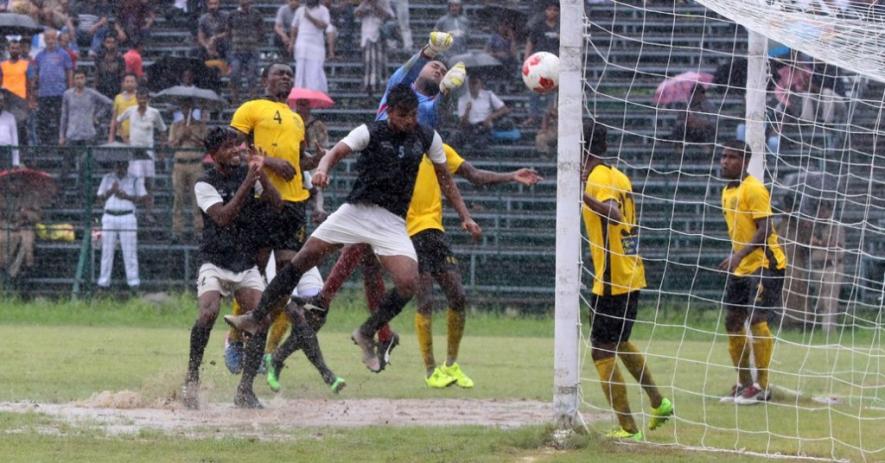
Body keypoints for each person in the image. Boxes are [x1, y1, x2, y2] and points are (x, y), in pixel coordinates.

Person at [224, 84, 481, 385]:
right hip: (355, 212)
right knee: (301, 261)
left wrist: (465, 216)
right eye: (402, 115)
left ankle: (367, 331)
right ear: (389, 112)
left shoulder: (427, 137)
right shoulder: (370, 131)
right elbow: (336, 152)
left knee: (408, 283)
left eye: (412, 115)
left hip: (390, 221)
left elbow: (446, 180)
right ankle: (255, 319)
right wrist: (322, 169)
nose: (408, 121)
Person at [299, 32, 465, 368]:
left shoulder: (422, 117)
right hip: (370, 190)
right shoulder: (392, 100)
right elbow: (398, 78)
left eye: (441, 68)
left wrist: (447, 88)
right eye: (433, 65)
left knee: (369, 266)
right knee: (366, 268)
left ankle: (336, 306)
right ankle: (378, 332)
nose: (437, 67)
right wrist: (425, 51)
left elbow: (436, 106)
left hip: (392, 204)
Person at [221, 63, 318, 393]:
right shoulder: (251, 108)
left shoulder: (296, 118)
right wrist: (271, 163)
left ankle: (260, 349)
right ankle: (233, 339)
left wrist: (315, 161)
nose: (287, 77)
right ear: (264, 79)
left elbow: (298, 159)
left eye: (290, 73)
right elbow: (233, 147)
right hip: (263, 200)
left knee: (287, 279)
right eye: (279, 73)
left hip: (294, 204)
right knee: (254, 273)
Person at [581, 121, 673, 441]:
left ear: (582, 146)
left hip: (612, 279)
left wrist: (581, 194)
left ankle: (627, 427)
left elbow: (613, 214)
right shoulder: (617, 174)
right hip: (630, 272)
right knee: (618, 342)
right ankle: (659, 403)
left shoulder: (596, 177)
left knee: (600, 349)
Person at [182, 127, 284, 409]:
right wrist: (248, 181)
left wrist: (260, 173)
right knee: (208, 312)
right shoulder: (205, 183)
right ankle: (192, 377)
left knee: (261, 319)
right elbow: (224, 217)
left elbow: (277, 204)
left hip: (245, 261)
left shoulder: (249, 174)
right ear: (214, 155)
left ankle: (245, 390)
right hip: (214, 261)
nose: (237, 151)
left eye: (238, 146)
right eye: (228, 147)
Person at [717, 140, 787, 405]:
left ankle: (763, 386)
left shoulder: (754, 189)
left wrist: (738, 255)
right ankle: (745, 383)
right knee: (733, 322)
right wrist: (738, 259)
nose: (725, 161)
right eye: (723, 156)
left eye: (732, 157)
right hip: (743, 267)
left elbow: (765, 228)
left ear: (744, 161)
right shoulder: (727, 191)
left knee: (757, 320)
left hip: (767, 265)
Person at [115, 87, 167, 222]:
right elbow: (118, 122)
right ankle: (133, 210)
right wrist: (125, 138)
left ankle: (149, 212)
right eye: (140, 98)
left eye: (145, 98)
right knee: (134, 182)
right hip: (134, 152)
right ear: (137, 98)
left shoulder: (154, 113)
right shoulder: (131, 111)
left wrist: (161, 150)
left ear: (148, 99)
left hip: (148, 153)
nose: (142, 101)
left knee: (149, 183)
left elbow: (162, 131)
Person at [96, 159, 147, 291]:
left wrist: (126, 197)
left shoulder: (135, 179)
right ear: (114, 165)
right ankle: (103, 283)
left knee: (130, 252)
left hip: (127, 216)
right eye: (117, 164)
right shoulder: (107, 178)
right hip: (109, 215)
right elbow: (99, 198)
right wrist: (111, 191)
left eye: (123, 164)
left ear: (127, 165)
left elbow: (143, 198)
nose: (120, 167)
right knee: (107, 251)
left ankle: (133, 283)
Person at [168, 98, 208, 242]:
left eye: (189, 107)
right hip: (179, 164)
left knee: (197, 198)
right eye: (184, 107)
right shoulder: (175, 125)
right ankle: (177, 230)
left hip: (196, 164)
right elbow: (172, 145)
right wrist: (181, 136)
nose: (186, 110)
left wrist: (192, 135)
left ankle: (199, 229)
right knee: (178, 198)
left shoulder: (200, 126)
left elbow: (205, 144)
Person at [59, 69, 112, 175]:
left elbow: (109, 103)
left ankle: (82, 189)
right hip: (72, 133)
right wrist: (61, 136)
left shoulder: (91, 93)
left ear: (85, 79)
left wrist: (97, 116)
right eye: (77, 78)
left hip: (87, 133)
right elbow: (64, 116)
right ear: (73, 80)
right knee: (66, 164)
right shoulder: (67, 94)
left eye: (82, 78)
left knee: (85, 165)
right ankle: (62, 188)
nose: (79, 81)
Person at [28, 28, 73, 146]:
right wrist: (33, 91)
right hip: (44, 93)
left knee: (60, 118)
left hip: (60, 92)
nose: (50, 41)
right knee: (44, 120)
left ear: (56, 39)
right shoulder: (39, 56)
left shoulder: (63, 54)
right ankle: (45, 143)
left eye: (53, 38)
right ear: (44, 39)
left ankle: (60, 141)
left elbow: (69, 72)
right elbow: (35, 74)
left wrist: (70, 88)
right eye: (48, 38)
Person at [523, 1, 559, 127]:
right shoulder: (539, 26)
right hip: (539, 64)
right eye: (550, 10)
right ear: (545, 11)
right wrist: (526, 59)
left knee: (552, 91)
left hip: (555, 64)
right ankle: (533, 116)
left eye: (555, 10)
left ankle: (549, 116)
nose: (552, 12)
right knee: (534, 89)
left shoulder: (561, 27)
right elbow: (530, 42)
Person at [451, 74, 509, 150]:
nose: (473, 86)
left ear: (480, 84)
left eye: (475, 83)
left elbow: (504, 109)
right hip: (469, 128)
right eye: (471, 83)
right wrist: (467, 111)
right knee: (454, 139)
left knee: (480, 142)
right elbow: (463, 123)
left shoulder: (488, 95)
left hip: (484, 127)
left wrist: (490, 117)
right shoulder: (463, 98)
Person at [227, 0, 264, 103]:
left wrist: (253, 40)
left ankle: (252, 98)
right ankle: (235, 99)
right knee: (234, 74)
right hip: (237, 51)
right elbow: (228, 32)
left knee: (252, 76)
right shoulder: (232, 15)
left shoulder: (256, 14)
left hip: (251, 51)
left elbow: (261, 31)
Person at [290, 0, 331, 92]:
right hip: (302, 45)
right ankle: (300, 95)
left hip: (317, 47)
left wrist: (310, 17)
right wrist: (292, 42)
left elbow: (324, 25)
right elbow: (294, 27)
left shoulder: (323, 10)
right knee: (300, 72)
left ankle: (315, 96)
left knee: (315, 73)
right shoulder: (300, 10)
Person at [355, 0, 394, 96]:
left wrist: (375, 6)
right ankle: (369, 86)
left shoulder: (384, 2)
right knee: (368, 61)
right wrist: (366, 7)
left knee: (378, 61)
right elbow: (357, 14)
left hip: (379, 33)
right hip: (367, 33)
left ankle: (379, 85)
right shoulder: (364, 3)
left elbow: (389, 16)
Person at [0, 39, 31, 147]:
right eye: (12, 48)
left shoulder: (25, 64)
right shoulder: (2, 65)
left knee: (20, 127)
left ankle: (22, 154)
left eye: (17, 48)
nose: (14, 50)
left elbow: (29, 83)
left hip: (20, 101)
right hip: (6, 100)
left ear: (20, 50)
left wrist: (30, 100)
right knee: (7, 126)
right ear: (8, 49)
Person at [93, 34, 126, 99]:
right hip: (102, 89)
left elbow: (122, 76)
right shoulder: (99, 57)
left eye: (113, 42)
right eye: (108, 42)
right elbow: (96, 74)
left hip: (116, 89)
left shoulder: (120, 58)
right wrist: (95, 90)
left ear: (116, 43)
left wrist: (122, 93)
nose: (110, 44)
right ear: (104, 43)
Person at [108, 73, 138, 143]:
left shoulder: (140, 98)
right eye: (127, 81)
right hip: (120, 135)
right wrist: (111, 137)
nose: (129, 84)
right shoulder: (118, 98)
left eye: (132, 81)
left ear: (136, 83)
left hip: (136, 135)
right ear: (123, 84)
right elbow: (114, 118)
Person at [0, 92, 19, 167]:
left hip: (6, 150)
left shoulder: (10, 117)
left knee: (5, 175)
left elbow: (15, 139)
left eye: (1, 101)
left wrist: (16, 161)